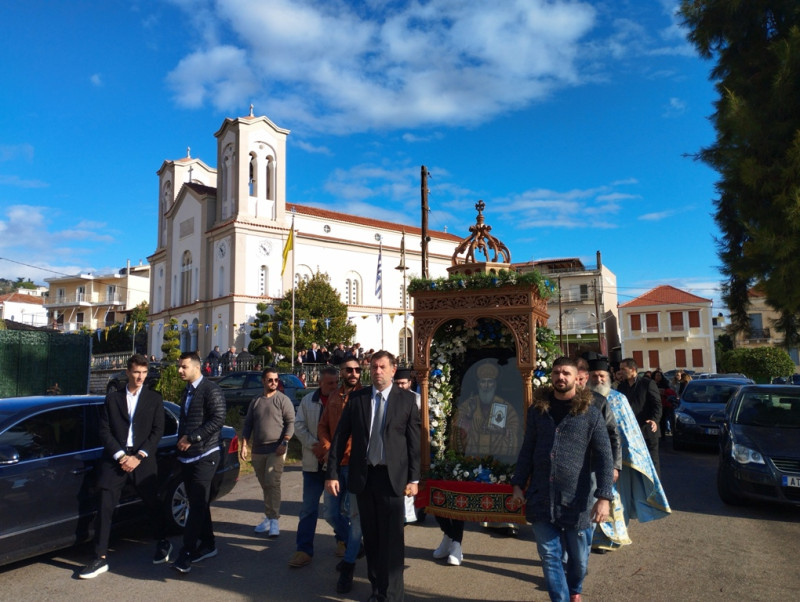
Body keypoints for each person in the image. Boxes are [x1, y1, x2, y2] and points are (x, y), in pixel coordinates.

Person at [510, 357, 614, 602]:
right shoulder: (538, 411)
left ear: (576, 377)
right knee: (549, 555)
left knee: (579, 561)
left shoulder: (591, 412)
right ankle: (561, 599)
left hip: (577, 501)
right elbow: (528, 448)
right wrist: (517, 484)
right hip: (541, 497)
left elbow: (604, 456)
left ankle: (574, 589)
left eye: (566, 373)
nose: (560, 377)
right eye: (556, 372)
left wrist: (604, 496)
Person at [325, 350, 421, 602]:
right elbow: (339, 439)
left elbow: (414, 444)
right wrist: (332, 473)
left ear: (392, 369)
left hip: (393, 479)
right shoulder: (358, 399)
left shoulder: (407, 400)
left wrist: (414, 479)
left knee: (392, 540)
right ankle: (377, 591)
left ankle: (394, 595)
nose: (377, 371)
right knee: (372, 538)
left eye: (382, 367)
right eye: (374, 367)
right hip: (365, 478)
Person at [79, 354, 168, 579]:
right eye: (137, 372)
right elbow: (104, 431)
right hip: (115, 459)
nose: (140, 377)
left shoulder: (154, 398)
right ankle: (99, 558)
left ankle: (163, 542)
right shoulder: (112, 399)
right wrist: (120, 456)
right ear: (128, 372)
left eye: (144, 373)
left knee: (152, 503)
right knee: (104, 506)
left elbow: (158, 431)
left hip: (142, 459)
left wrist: (139, 456)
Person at [584, 356, 671, 553]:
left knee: (614, 500)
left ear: (608, 377)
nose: (598, 379)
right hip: (589, 460)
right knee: (590, 498)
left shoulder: (618, 399)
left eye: (601, 376)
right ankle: (589, 536)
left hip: (616, 460)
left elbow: (628, 431)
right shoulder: (582, 399)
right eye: (594, 376)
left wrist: (621, 462)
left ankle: (610, 538)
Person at [444, 360, 522, 562]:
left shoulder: (504, 406)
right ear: (478, 385)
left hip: (498, 460)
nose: (486, 386)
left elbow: (514, 430)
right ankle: (452, 539)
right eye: (482, 383)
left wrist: (503, 432)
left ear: (495, 385)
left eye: (490, 382)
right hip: (473, 458)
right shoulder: (468, 405)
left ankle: (503, 522)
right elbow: (457, 432)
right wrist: (468, 424)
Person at [172, 351, 226, 574]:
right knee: (198, 502)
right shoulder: (187, 391)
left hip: (206, 454)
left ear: (196, 366)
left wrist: (194, 437)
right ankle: (209, 543)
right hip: (187, 455)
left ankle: (187, 551)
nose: (180, 370)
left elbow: (218, 419)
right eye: (179, 366)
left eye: (184, 367)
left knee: (195, 504)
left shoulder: (210, 389)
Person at [289, 366, 348, 569]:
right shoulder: (308, 401)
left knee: (337, 509)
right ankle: (304, 550)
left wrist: (330, 450)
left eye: (336, 382)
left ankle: (343, 540)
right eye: (330, 383)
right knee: (308, 508)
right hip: (313, 464)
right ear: (320, 382)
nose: (334, 386)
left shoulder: (343, 399)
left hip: (336, 465)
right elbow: (298, 426)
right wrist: (315, 445)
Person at [318, 357, 366, 593]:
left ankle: (348, 567)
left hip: (356, 465)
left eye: (358, 369)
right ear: (342, 372)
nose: (354, 373)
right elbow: (323, 426)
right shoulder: (335, 396)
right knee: (330, 513)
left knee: (356, 519)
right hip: (336, 465)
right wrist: (328, 449)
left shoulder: (365, 396)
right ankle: (355, 546)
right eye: (349, 369)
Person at [240, 367, 295, 538]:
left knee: (272, 482)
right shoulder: (256, 401)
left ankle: (274, 520)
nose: (273, 383)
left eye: (276, 380)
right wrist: (244, 445)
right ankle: (269, 516)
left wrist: (284, 442)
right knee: (265, 484)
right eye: (270, 380)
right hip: (258, 449)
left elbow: (291, 422)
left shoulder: (283, 400)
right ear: (263, 381)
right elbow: (248, 424)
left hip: (276, 449)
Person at [616, 358, 662, 476]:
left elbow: (657, 405)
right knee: (634, 466)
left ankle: (655, 493)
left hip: (647, 430)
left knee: (652, 465)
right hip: (630, 433)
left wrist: (655, 420)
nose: (620, 371)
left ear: (632, 369)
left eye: (623, 369)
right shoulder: (621, 387)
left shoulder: (647, 383)